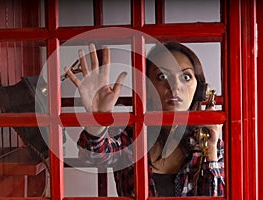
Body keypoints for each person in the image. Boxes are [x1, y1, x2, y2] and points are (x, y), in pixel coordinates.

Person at [65, 42, 225, 197]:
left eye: (186, 76)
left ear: (200, 90)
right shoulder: (130, 137)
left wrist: (210, 150)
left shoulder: (209, 141)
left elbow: (219, 196)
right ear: (147, 87)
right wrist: (98, 118)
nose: (174, 86)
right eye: (162, 76)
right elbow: (94, 156)